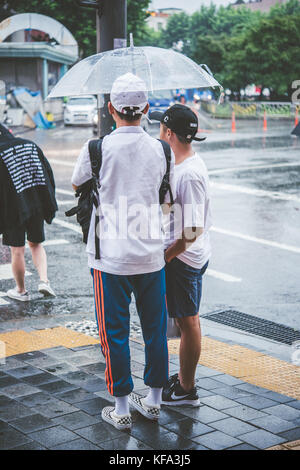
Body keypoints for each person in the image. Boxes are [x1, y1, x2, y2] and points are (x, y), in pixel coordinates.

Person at [71, 73, 175, 431]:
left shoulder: (96, 149)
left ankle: (120, 408)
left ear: (111, 109)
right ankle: (155, 401)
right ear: (146, 110)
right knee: (154, 330)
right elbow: (166, 198)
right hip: (151, 255)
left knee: (114, 333)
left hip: (109, 258)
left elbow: (76, 183)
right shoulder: (162, 149)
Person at [151, 104, 212, 407]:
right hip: (183, 255)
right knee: (185, 320)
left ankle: (187, 389)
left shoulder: (188, 174)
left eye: (160, 129)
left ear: (169, 133)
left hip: (184, 259)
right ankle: (183, 379)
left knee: (189, 322)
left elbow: (194, 228)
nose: (158, 134)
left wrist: (168, 256)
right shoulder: (180, 165)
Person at [0, 124, 57, 301]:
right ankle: (44, 281)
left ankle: (21, 290)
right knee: (36, 243)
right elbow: (47, 172)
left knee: (17, 250)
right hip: (36, 202)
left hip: (13, 209)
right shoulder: (29, 145)